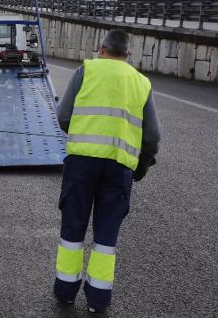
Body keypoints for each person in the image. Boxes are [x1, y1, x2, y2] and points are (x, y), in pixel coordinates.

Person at [53, 29, 161, 312]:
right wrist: (143, 163)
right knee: (106, 235)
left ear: (101, 49)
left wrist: (81, 132)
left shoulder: (85, 70)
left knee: (73, 228)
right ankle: (98, 300)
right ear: (128, 54)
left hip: (81, 164)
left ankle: (65, 291)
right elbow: (152, 135)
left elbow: (64, 116)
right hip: (120, 167)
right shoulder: (141, 82)